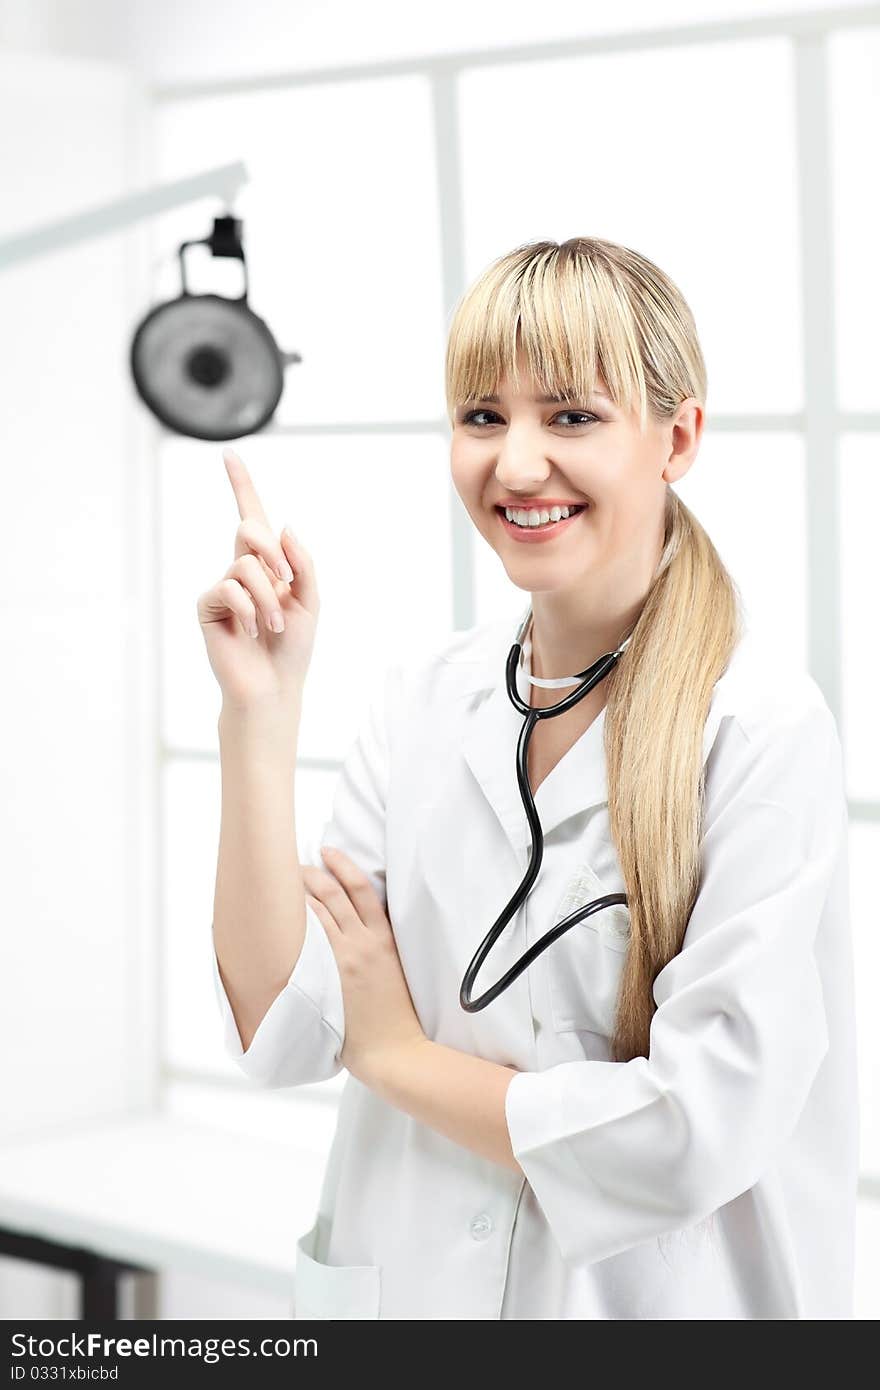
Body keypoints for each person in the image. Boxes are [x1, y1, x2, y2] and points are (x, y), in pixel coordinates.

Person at [198, 236, 858, 1320]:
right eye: (481, 416)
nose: (512, 465)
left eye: (570, 416)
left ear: (676, 436)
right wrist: (257, 715)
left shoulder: (757, 729)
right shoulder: (422, 699)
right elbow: (283, 1026)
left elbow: (689, 1132)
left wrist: (399, 1055)